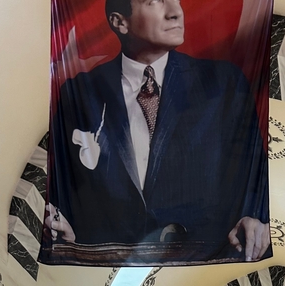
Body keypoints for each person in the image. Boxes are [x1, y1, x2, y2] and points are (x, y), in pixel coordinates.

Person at [43, 0, 270, 264]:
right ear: (120, 22)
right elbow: (65, 188)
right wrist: (65, 230)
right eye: (155, 2)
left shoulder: (223, 84)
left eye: (177, 1)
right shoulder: (80, 93)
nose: (175, 12)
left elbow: (256, 176)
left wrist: (256, 219)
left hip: (204, 271)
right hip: (107, 272)